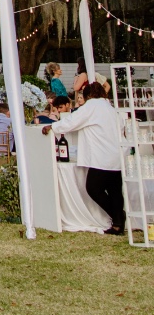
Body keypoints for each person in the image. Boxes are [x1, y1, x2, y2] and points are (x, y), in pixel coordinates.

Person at [44, 82, 125, 232]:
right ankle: (118, 223)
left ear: (88, 96)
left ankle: (118, 216)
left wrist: (53, 127)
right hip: (115, 155)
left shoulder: (91, 106)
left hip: (101, 156)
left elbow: (71, 122)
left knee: (93, 188)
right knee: (115, 191)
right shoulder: (111, 108)